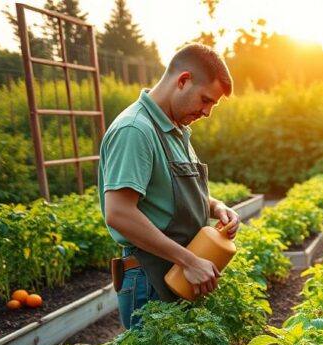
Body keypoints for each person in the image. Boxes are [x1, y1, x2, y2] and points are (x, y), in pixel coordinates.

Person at [99, 43, 240, 330]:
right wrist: (189, 261)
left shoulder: (174, 130)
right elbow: (119, 213)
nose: (207, 112)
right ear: (183, 80)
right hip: (151, 281)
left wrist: (216, 206)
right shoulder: (135, 130)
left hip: (179, 274)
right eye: (205, 100)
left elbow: (169, 192)